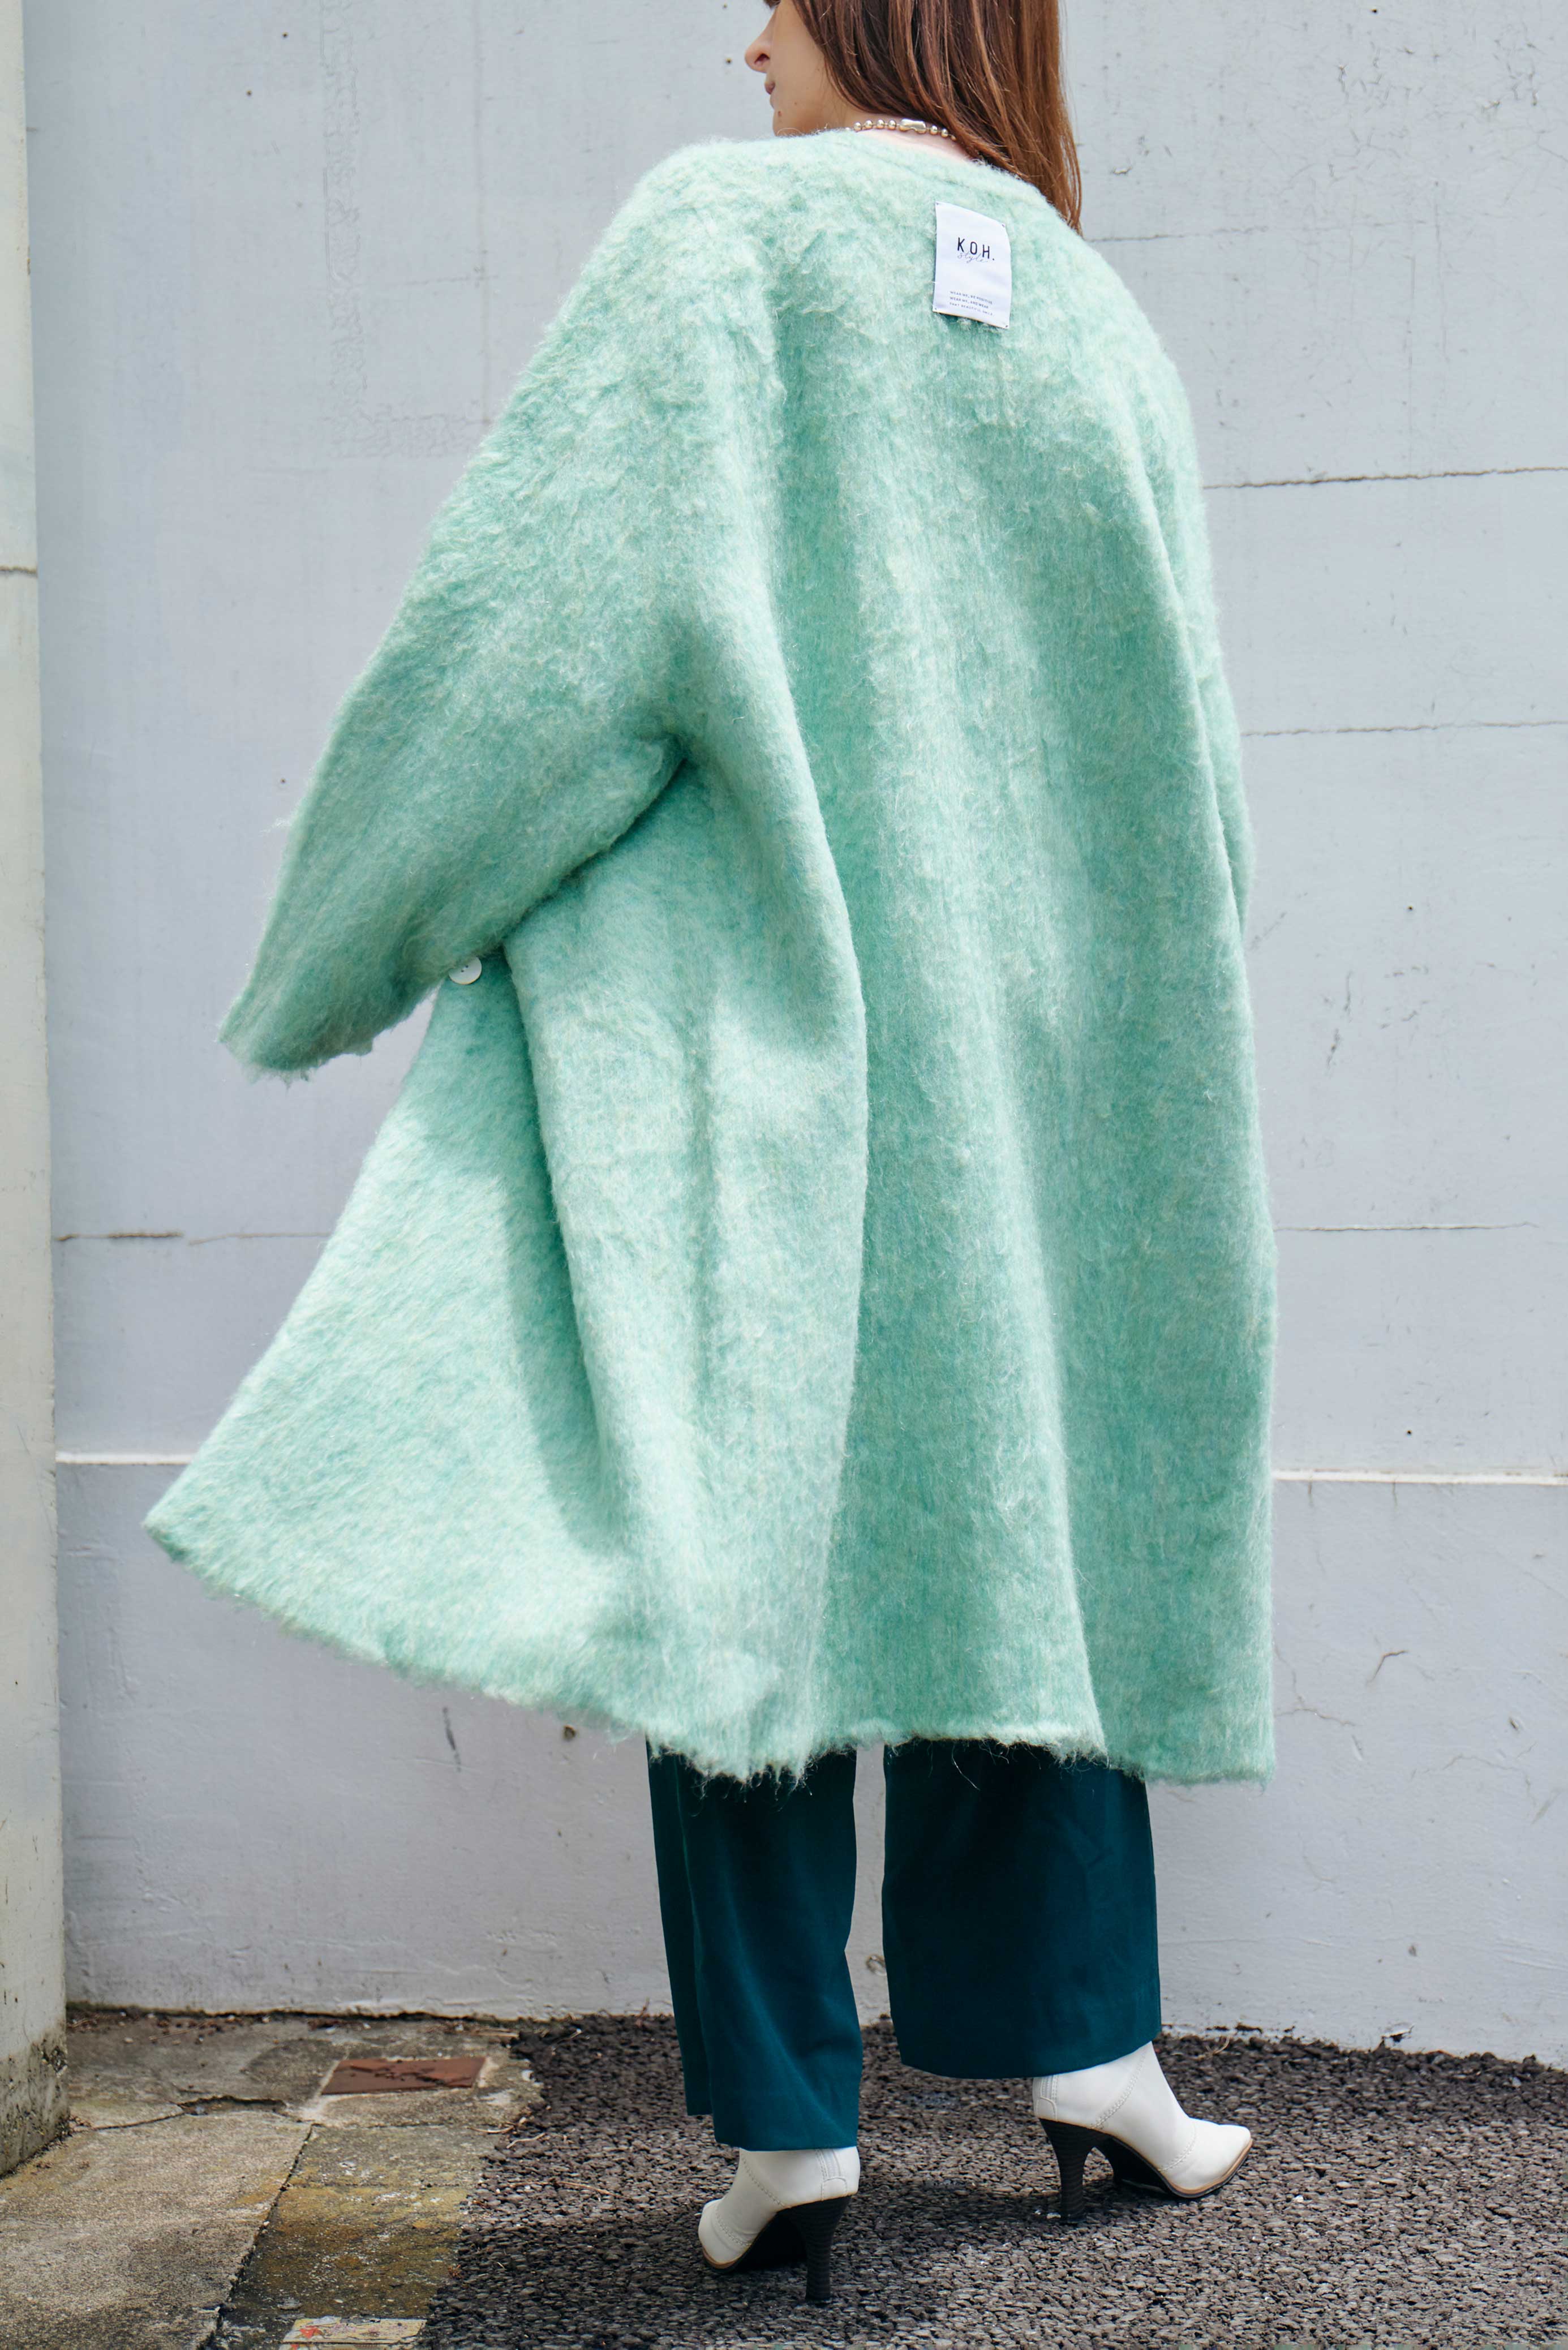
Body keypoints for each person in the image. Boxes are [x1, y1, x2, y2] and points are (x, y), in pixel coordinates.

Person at [147, 0, 1277, 2308]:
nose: (742, 40)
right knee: (1013, 1530)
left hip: (759, 1040)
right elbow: (1200, 775)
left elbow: (532, 639)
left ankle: (789, 2126)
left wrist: (345, 945)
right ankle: (1094, 2051)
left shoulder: (719, 249)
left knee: (750, 1556)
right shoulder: (1093, 320)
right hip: (1052, 1076)